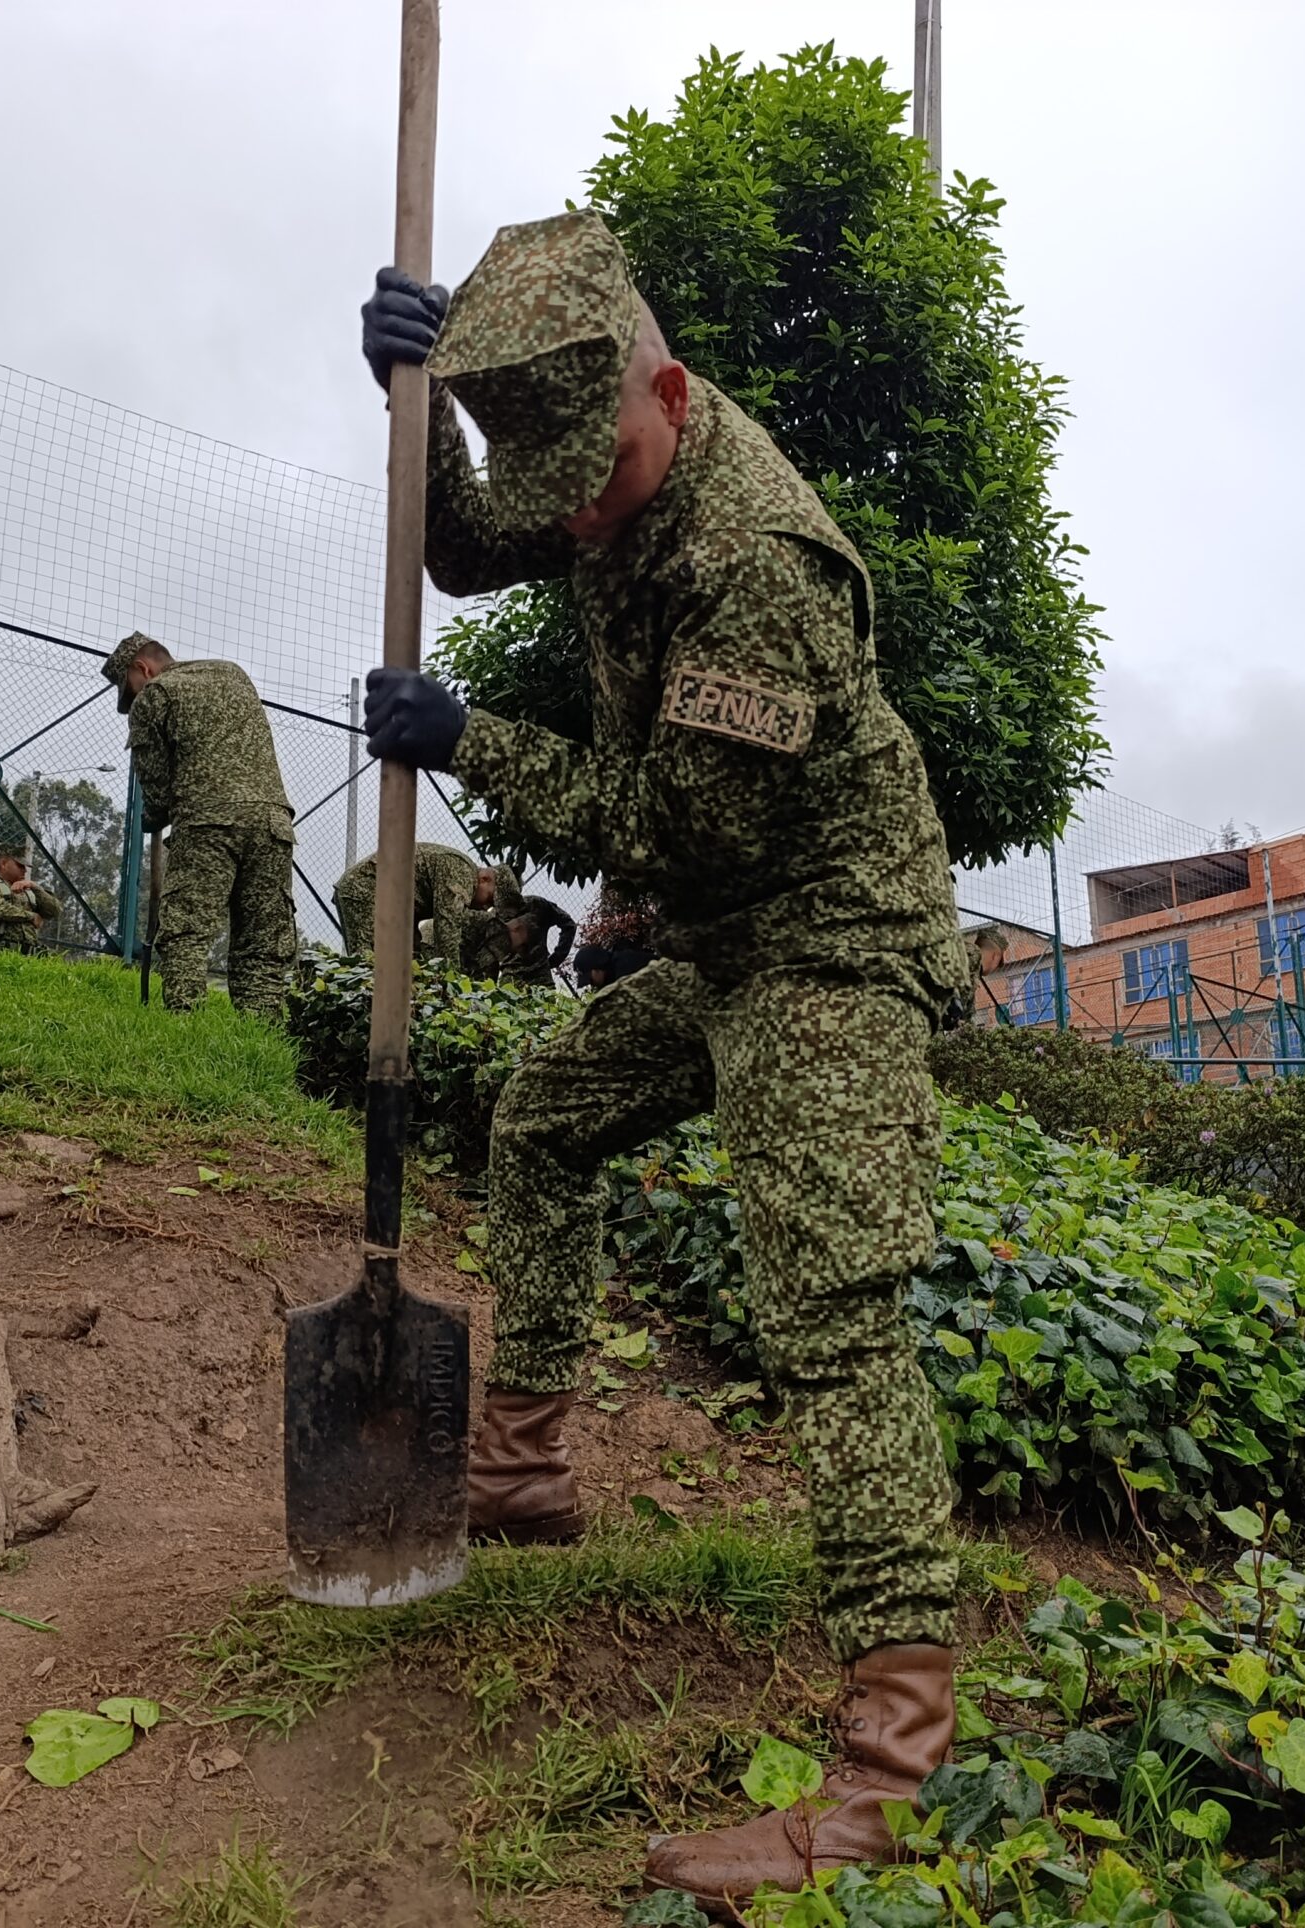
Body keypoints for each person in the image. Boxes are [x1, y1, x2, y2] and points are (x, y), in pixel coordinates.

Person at [359, 211, 969, 1910]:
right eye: (547, 470)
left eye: (595, 468)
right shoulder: (603, 464)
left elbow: (662, 827)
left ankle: (891, 1776)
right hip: (720, 930)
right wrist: (406, 408)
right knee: (545, 1116)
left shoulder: (752, 554)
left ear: (670, 392)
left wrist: (471, 741)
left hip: (828, 935)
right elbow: (479, 549)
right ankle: (532, 1461)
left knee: (828, 1306)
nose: (579, 506)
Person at [103, 632, 296, 1020]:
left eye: (130, 689)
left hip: (208, 823)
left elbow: (155, 787)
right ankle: (259, 1032)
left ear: (143, 668)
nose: (134, 699)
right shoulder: (232, 674)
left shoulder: (155, 694)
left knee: (186, 931)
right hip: (273, 822)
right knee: (263, 939)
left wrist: (154, 817)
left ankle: (186, 1023)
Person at [332, 841, 517, 964]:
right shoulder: (461, 871)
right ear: (484, 879)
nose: (486, 908)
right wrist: (453, 986)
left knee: (410, 964)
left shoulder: (462, 873)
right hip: (365, 891)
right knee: (367, 965)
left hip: (392, 907)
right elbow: (447, 929)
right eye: (490, 900)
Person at [0, 846, 62, 954]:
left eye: (25, 867)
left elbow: (55, 910)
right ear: (3, 864)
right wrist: (31, 916)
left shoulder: (29, 891)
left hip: (29, 952)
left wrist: (35, 887)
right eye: (20, 866)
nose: (24, 871)